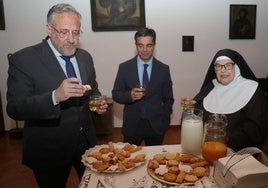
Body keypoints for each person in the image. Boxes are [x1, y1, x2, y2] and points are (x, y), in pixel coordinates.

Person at [6, 3, 108, 188]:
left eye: (76, 32)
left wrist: (98, 103)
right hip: (48, 148)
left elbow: (93, 89)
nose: (71, 39)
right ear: (49, 29)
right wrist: (55, 96)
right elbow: (15, 107)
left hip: (86, 143)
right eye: (64, 32)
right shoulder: (23, 59)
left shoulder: (85, 57)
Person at [183, 49, 268, 152]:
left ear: (236, 67)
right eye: (218, 66)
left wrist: (222, 139)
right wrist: (189, 108)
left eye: (228, 65)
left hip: (239, 155)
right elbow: (194, 119)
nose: (223, 70)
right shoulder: (210, 87)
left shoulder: (252, 89)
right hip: (208, 150)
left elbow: (255, 130)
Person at [112, 27, 174, 146]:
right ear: (135, 45)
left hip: (156, 126)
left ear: (154, 45)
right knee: (129, 161)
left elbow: (168, 99)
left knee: (155, 162)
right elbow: (116, 94)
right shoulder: (124, 67)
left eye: (149, 45)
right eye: (140, 45)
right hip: (132, 126)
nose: (145, 50)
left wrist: (165, 121)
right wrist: (130, 95)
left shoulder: (163, 69)